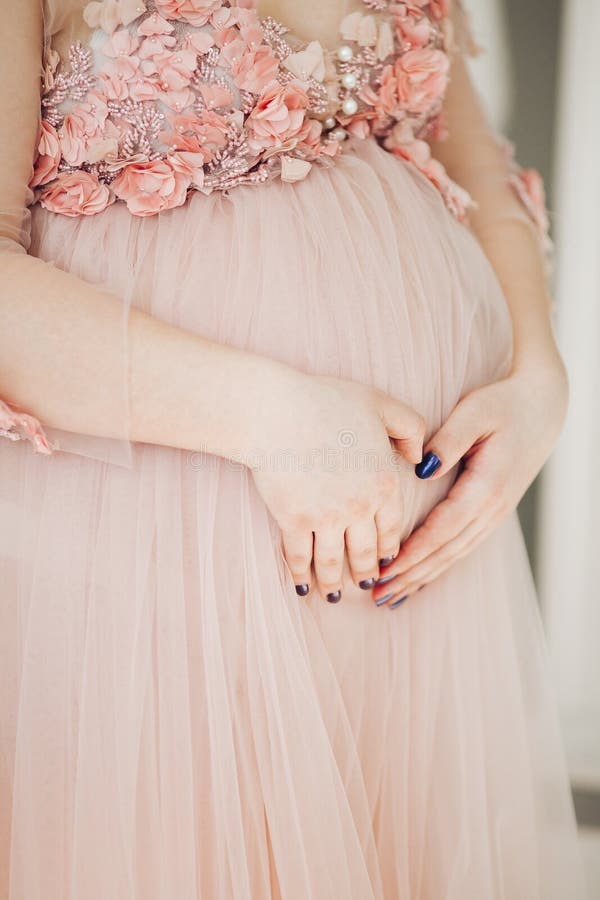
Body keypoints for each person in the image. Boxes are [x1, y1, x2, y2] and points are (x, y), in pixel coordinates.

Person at [0, 1, 588, 897]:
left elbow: (472, 154)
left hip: (418, 564)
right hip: (152, 542)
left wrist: (540, 379)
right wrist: (270, 416)